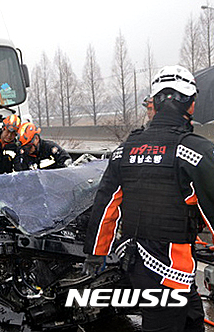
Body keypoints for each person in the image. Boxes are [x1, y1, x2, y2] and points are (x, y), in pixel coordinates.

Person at [83, 65, 214, 332]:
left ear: (153, 103)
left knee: (192, 318)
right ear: (190, 105)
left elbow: (106, 205)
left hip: (138, 262)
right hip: (170, 268)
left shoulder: (125, 150)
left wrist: (96, 254)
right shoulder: (196, 151)